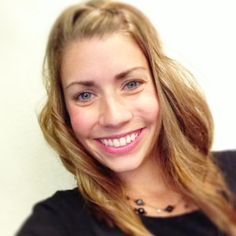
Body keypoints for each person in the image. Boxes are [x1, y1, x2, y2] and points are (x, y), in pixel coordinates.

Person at [17, 0, 236, 235]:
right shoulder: (59, 222)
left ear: (162, 86)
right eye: (84, 95)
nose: (114, 117)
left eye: (131, 84)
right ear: (64, 112)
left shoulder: (231, 170)